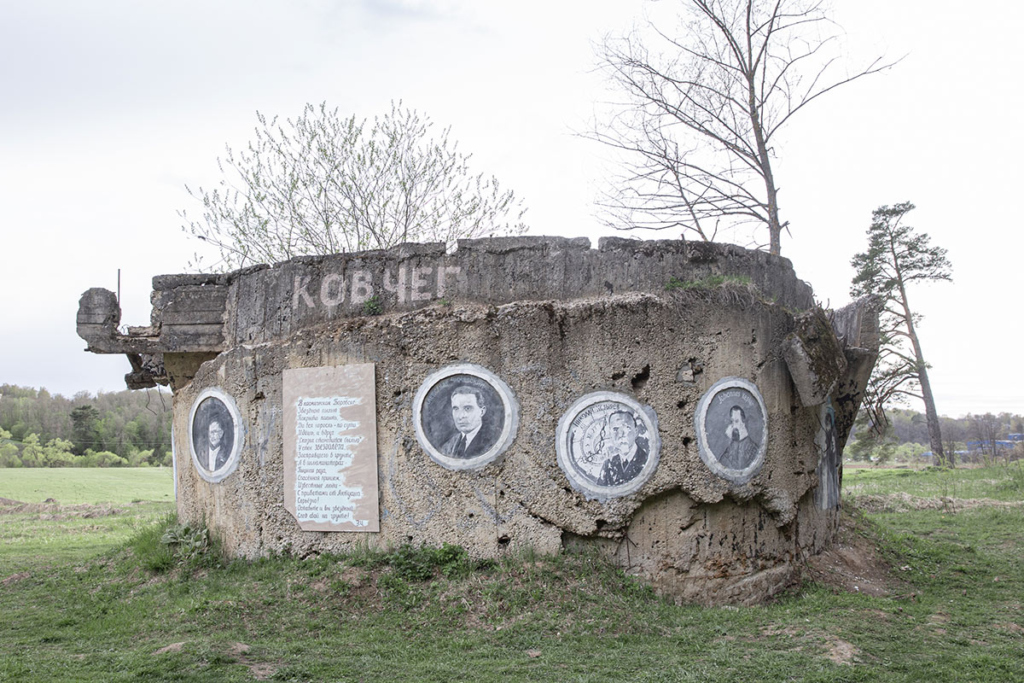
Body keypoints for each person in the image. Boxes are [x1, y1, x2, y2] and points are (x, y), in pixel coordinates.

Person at [440, 385, 494, 459]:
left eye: (467, 408)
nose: (461, 416)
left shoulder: (492, 441)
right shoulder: (448, 446)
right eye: (456, 409)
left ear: (482, 411)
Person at [596, 411, 648, 486]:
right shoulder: (608, 464)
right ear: (610, 433)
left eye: (627, 427)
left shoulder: (646, 460)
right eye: (615, 429)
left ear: (636, 432)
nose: (621, 434)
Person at [717, 405, 759, 470]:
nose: (734, 426)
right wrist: (727, 439)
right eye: (732, 421)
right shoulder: (732, 445)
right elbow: (722, 464)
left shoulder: (753, 448)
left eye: (736, 421)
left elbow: (740, 468)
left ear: (743, 423)